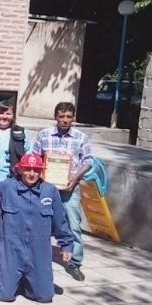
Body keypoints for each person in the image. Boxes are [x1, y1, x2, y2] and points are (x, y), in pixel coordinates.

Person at [0, 154, 75, 303]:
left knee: (44, 296)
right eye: (27, 169)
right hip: (11, 247)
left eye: (36, 170)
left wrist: (67, 244)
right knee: (4, 295)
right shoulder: (6, 187)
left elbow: (61, 220)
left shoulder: (50, 191)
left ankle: (24, 280)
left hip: (38, 249)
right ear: (20, 169)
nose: (32, 174)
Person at [31, 102, 93, 282]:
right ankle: (36, 256)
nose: (65, 120)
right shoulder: (44, 135)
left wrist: (74, 178)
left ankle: (74, 262)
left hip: (69, 188)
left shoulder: (81, 137)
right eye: (61, 116)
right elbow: (35, 157)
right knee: (39, 222)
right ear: (55, 117)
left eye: (68, 117)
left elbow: (88, 160)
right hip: (45, 187)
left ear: (73, 117)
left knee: (73, 223)